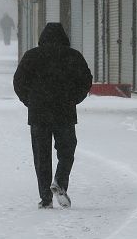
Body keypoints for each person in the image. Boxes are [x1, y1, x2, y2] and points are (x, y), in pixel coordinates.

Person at [13, 23, 92, 209]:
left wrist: (29, 101)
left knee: (41, 156)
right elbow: (86, 80)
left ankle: (45, 198)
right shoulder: (73, 56)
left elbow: (18, 82)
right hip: (64, 112)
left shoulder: (32, 56)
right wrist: (73, 99)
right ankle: (60, 181)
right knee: (67, 151)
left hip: (38, 114)